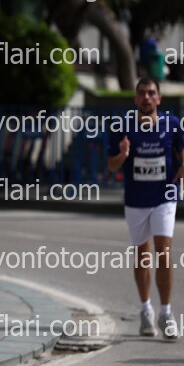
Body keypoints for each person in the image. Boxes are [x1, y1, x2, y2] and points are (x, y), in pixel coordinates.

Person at [108, 77, 184, 339]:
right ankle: (145, 309)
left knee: (163, 252)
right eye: (142, 93)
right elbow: (111, 166)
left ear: (159, 98)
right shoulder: (122, 126)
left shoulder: (172, 124)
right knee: (142, 254)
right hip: (136, 199)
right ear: (135, 98)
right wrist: (123, 154)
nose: (147, 98)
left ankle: (166, 313)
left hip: (165, 196)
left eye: (151, 93)